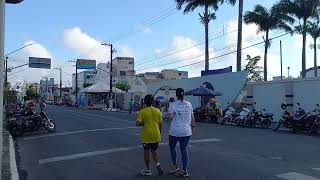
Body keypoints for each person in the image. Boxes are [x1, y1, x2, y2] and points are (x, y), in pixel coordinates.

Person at [167, 88, 196, 177]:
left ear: (176, 95)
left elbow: (170, 118)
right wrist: (193, 126)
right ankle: (185, 171)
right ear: (184, 95)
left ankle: (175, 166)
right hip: (186, 131)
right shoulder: (189, 104)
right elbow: (192, 117)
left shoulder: (172, 104)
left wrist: (169, 114)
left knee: (172, 147)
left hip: (175, 131)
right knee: (184, 150)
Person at [136, 94, 164, 176]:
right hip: (156, 134)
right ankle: (158, 164)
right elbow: (160, 124)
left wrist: (143, 123)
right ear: (152, 102)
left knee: (146, 151)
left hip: (146, 135)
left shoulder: (142, 111)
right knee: (154, 151)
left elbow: (137, 123)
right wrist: (159, 132)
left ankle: (148, 170)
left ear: (145, 101)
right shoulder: (157, 111)